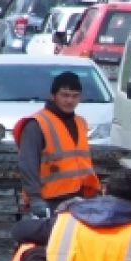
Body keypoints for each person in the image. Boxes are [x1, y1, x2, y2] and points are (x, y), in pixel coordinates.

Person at [13, 71, 101, 218]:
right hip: (50, 200)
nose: (70, 101)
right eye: (65, 95)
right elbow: (28, 164)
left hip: (79, 196)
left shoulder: (80, 123)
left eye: (75, 96)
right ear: (53, 96)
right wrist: (35, 198)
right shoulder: (37, 124)